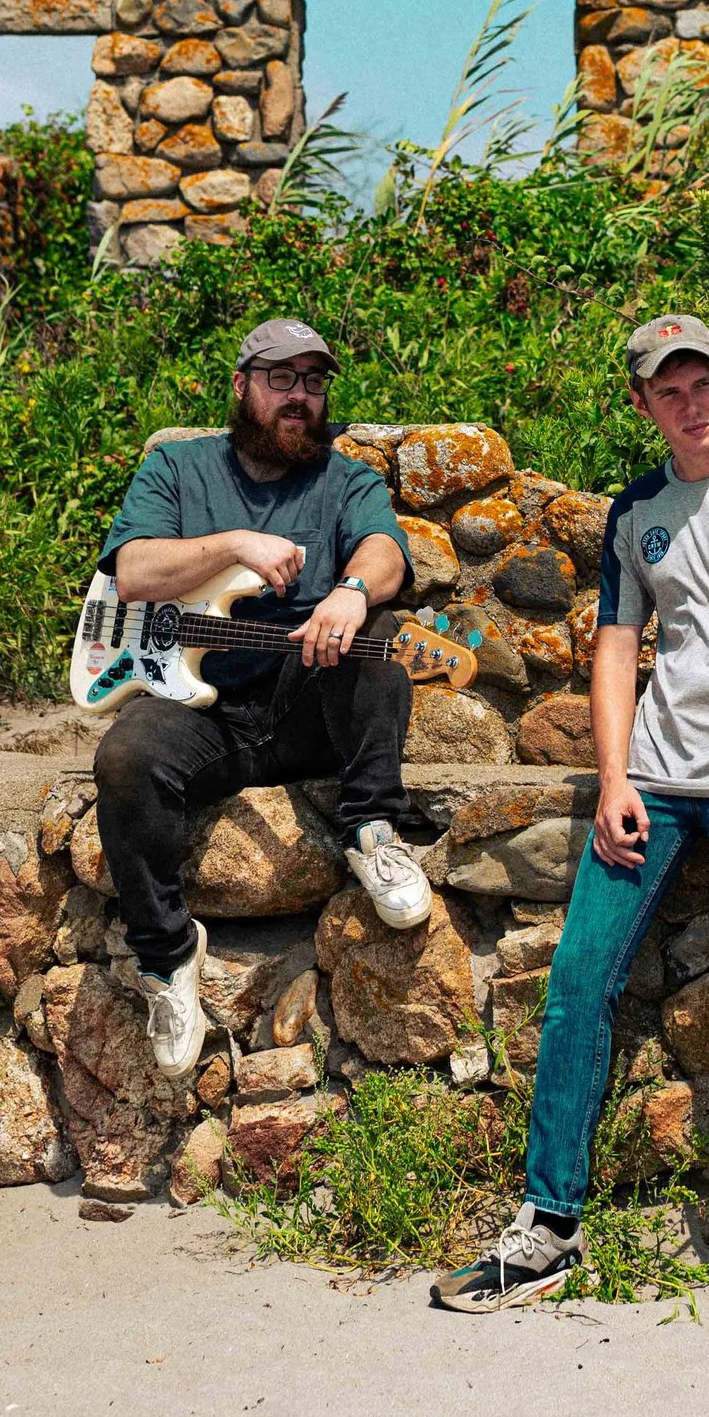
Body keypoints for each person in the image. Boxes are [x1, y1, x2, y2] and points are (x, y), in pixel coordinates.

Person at [434, 312, 709, 1338]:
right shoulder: (638, 508)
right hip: (657, 779)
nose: (691, 401)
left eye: (702, 380)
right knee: (579, 979)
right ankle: (548, 1226)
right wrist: (615, 778)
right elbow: (618, 648)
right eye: (669, 388)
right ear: (642, 402)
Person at [92, 317, 434, 1078]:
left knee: (377, 641)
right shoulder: (179, 469)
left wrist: (351, 590)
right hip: (196, 710)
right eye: (282, 379)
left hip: (301, 708)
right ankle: (167, 957)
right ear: (242, 385)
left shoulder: (344, 479)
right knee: (126, 757)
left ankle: (372, 831)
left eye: (313, 381)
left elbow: (385, 550)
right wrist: (233, 544)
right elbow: (134, 572)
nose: (300, 396)